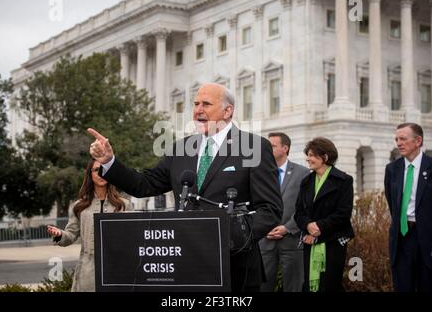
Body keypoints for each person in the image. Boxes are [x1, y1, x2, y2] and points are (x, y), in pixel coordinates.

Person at [88, 82, 282, 292]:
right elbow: (145, 184)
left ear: (228, 111)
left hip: (235, 269)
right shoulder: (181, 149)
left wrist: (226, 236)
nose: (198, 109)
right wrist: (109, 162)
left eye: (206, 104)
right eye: (196, 103)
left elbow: (270, 210)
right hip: (187, 267)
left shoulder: (253, 147)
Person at [47, 158, 131, 292]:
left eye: (105, 170)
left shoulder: (124, 205)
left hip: (117, 269)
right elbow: (71, 235)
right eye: (97, 170)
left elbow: (131, 238)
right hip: (88, 271)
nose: (101, 174)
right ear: (90, 174)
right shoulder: (79, 206)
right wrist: (59, 235)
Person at [294, 137, 354, 292]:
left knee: (329, 285)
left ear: (325, 157)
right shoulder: (306, 181)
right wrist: (308, 225)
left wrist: (319, 228)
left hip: (332, 242)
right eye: (308, 154)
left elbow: (343, 213)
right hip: (309, 240)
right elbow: (299, 212)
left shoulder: (344, 180)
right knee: (309, 286)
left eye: (312, 155)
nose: (308, 159)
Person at [384, 123, 432, 291]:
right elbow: (392, 204)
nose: (398, 143)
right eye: (397, 139)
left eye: (403, 139)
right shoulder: (392, 169)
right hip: (401, 237)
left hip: (426, 237)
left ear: (418, 141)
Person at [259, 132, 309, 292]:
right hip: (264, 241)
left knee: (294, 287)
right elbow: (253, 204)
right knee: (262, 287)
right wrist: (262, 227)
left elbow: (306, 206)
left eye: (272, 146)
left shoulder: (302, 173)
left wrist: (287, 228)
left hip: (292, 241)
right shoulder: (258, 172)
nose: (267, 149)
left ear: (285, 148)